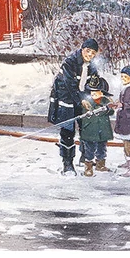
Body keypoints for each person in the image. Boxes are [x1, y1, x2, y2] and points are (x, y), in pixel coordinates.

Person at [48, 38, 99, 175]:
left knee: (86, 128)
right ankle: (68, 163)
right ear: (82, 49)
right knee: (68, 132)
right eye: (88, 51)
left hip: (81, 99)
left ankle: (86, 157)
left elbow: (94, 82)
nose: (90, 55)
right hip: (66, 100)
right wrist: (81, 100)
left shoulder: (92, 65)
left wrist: (95, 95)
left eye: (93, 53)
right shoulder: (69, 62)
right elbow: (70, 85)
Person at [79, 74, 114, 177]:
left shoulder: (105, 101)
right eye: (92, 92)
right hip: (90, 130)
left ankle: (100, 165)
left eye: (96, 91)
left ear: (102, 93)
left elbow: (111, 112)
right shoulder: (86, 102)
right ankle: (88, 168)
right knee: (89, 150)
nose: (93, 93)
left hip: (103, 130)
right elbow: (83, 112)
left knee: (101, 148)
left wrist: (108, 108)